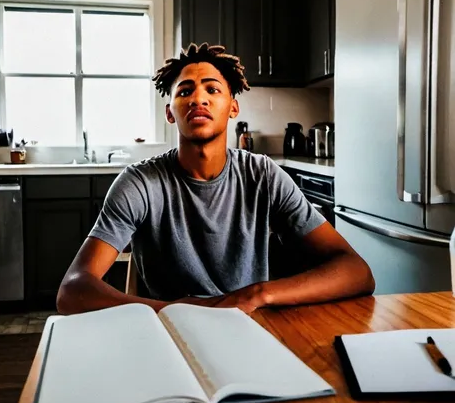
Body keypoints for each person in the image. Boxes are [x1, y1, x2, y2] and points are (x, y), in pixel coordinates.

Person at [57, 43, 374, 315]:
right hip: (170, 333)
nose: (198, 99)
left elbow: (356, 272)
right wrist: (180, 311)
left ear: (233, 107)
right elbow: (72, 290)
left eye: (212, 89)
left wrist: (257, 295)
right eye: (185, 91)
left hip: (251, 326)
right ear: (170, 112)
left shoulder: (263, 176)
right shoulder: (139, 183)